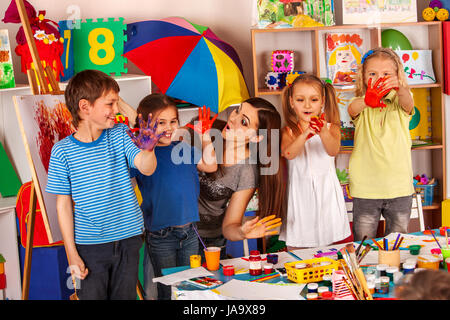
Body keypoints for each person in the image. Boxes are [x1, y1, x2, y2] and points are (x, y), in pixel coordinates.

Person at [46, 70, 159, 300]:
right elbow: (63, 206)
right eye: (110, 103)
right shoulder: (62, 152)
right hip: (90, 246)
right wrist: (71, 254)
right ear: (85, 107)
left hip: (128, 239)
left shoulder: (119, 135)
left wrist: (148, 148)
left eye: (117, 103)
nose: (116, 110)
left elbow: (146, 167)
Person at [119, 94, 217, 300]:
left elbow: (210, 166)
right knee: (168, 291)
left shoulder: (183, 148)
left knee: (189, 288)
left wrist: (205, 135)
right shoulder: (141, 155)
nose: (169, 127)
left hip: (190, 233)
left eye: (173, 121)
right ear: (146, 125)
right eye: (160, 123)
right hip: (161, 235)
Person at [194, 97, 286, 258]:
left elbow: (229, 226)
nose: (233, 118)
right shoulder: (208, 131)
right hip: (172, 232)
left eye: (244, 122)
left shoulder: (246, 172)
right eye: (238, 110)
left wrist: (242, 232)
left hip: (208, 243)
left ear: (257, 137)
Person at [348, 47, 415, 241]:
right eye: (372, 74)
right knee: (363, 243)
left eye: (386, 74)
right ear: (363, 77)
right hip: (366, 188)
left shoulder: (401, 101)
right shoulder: (359, 102)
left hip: (399, 187)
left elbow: (408, 102)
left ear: (397, 76)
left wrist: (400, 88)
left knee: (397, 243)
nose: (379, 78)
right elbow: (352, 109)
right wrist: (368, 101)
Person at [279, 73, 351, 249]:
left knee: (329, 245)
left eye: (313, 99)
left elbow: (333, 150)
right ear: (291, 102)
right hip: (299, 193)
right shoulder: (289, 131)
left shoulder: (331, 128)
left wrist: (322, 132)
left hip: (326, 190)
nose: (307, 105)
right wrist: (305, 134)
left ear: (322, 101)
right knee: (299, 244)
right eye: (300, 99)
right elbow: (288, 153)